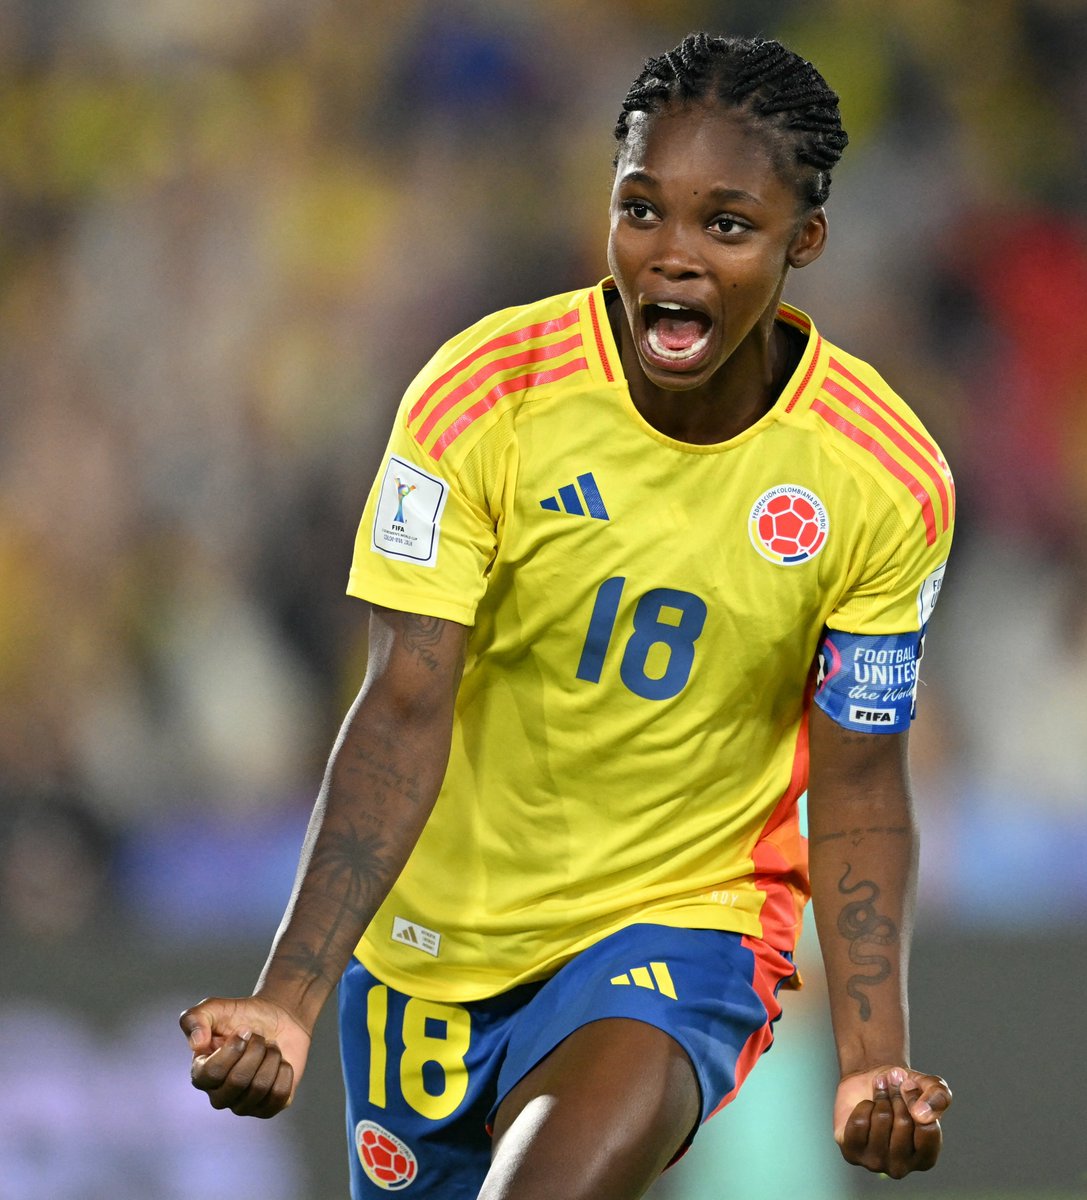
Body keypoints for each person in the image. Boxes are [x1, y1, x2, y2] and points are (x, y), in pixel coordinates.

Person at [180, 32, 955, 1199]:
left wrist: (871, 1055)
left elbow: (857, 782)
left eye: (726, 225)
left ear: (805, 240)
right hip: (433, 952)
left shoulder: (881, 476)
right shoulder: (482, 396)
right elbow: (400, 707)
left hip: (681, 926)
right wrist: (288, 996)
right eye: (642, 210)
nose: (673, 255)